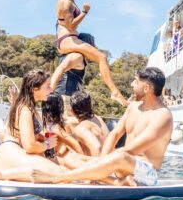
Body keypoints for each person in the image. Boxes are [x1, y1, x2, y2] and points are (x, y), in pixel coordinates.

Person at [31, 68, 173, 187]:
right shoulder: (133, 107)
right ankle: (114, 180)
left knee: (119, 155)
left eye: (135, 81)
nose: (131, 84)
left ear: (146, 88)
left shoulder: (162, 115)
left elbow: (132, 149)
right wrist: (100, 161)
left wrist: (101, 164)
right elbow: (115, 133)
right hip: (122, 166)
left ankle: (56, 178)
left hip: (146, 173)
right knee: (73, 158)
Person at [54, 0, 126, 106]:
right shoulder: (64, 3)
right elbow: (71, 25)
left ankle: (114, 91)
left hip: (70, 38)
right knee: (102, 57)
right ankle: (115, 93)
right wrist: (85, 12)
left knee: (97, 57)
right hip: (66, 39)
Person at [0, 70, 60, 181]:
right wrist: (48, 144)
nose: (50, 90)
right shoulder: (25, 109)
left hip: (12, 153)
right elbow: (29, 146)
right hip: (10, 154)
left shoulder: (29, 107)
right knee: (56, 172)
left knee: (58, 170)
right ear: (35, 89)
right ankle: (3, 174)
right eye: (47, 86)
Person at [41, 92, 88, 168]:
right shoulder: (49, 124)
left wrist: (85, 165)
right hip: (53, 158)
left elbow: (74, 144)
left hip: (60, 161)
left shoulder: (57, 128)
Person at [69, 91, 110, 156]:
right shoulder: (97, 118)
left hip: (99, 163)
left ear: (71, 110)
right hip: (110, 160)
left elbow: (97, 147)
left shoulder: (80, 129)